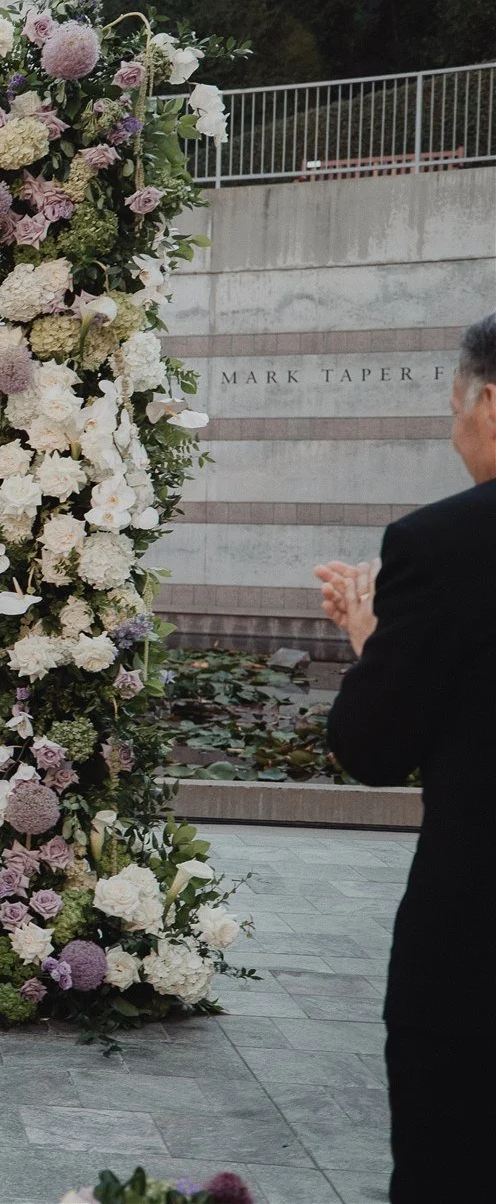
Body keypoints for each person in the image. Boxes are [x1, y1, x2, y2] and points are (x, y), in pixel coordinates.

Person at [316, 312, 496, 1202]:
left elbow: (375, 745)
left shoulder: (445, 544)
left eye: (455, 404)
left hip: (475, 953)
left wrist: (370, 637)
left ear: (491, 403)